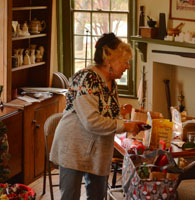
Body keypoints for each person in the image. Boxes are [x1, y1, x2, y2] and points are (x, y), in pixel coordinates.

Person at [50, 33, 145, 200]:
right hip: (74, 147)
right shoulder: (86, 78)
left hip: (98, 150)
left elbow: (104, 112)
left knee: (97, 196)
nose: (127, 67)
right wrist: (125, 126)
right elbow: (91, 121)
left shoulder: (111, 82)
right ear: (109, 61)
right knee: (70, 197)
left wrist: (124, 116)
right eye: (125, 62)